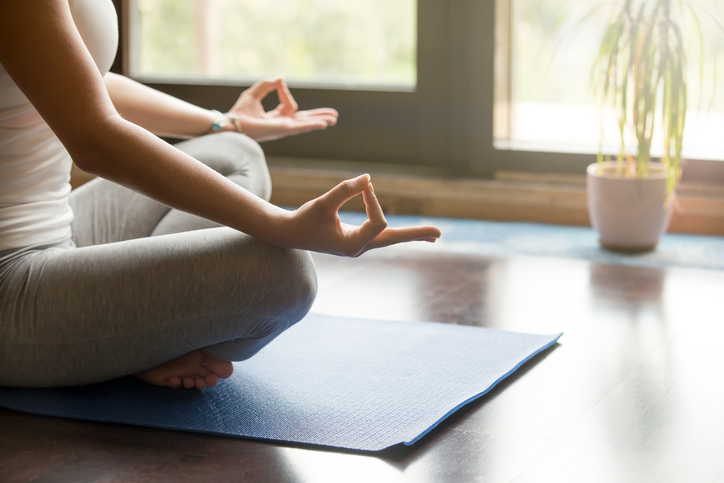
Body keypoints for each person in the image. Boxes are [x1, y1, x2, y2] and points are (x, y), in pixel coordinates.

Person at [0, 0, 440, 390]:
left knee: (234, 154)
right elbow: (92, 138)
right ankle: (129, 342)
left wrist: (226, 122)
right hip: (10, 287)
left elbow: (80, 81)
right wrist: (279, 224)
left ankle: (133, 336)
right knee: (282, 273)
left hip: (61, 228)